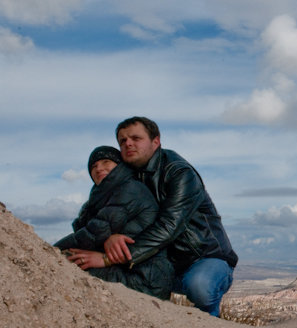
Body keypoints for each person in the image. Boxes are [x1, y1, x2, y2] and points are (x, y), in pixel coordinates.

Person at [104, 117, 238, 317]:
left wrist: (109, 258)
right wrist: (110, 237)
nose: (128, 144)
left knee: (200, 287)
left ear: (155, 141)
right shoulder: (126, 178)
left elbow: (168, 226)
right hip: (162, 261)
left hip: (203, 257)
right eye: (122, 141)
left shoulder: (178, 172)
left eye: (135, 138)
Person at [55, 146, 178, 299]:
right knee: (69, 262)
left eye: (106, 162)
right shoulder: (99, 198)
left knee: (66, 269)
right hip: (127, 269)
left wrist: (48, 250)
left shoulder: (130, 189)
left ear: (119, 165)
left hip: (146, 277)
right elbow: (85, 229)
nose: (99, 168)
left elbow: (95, 232)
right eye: (93, 166)